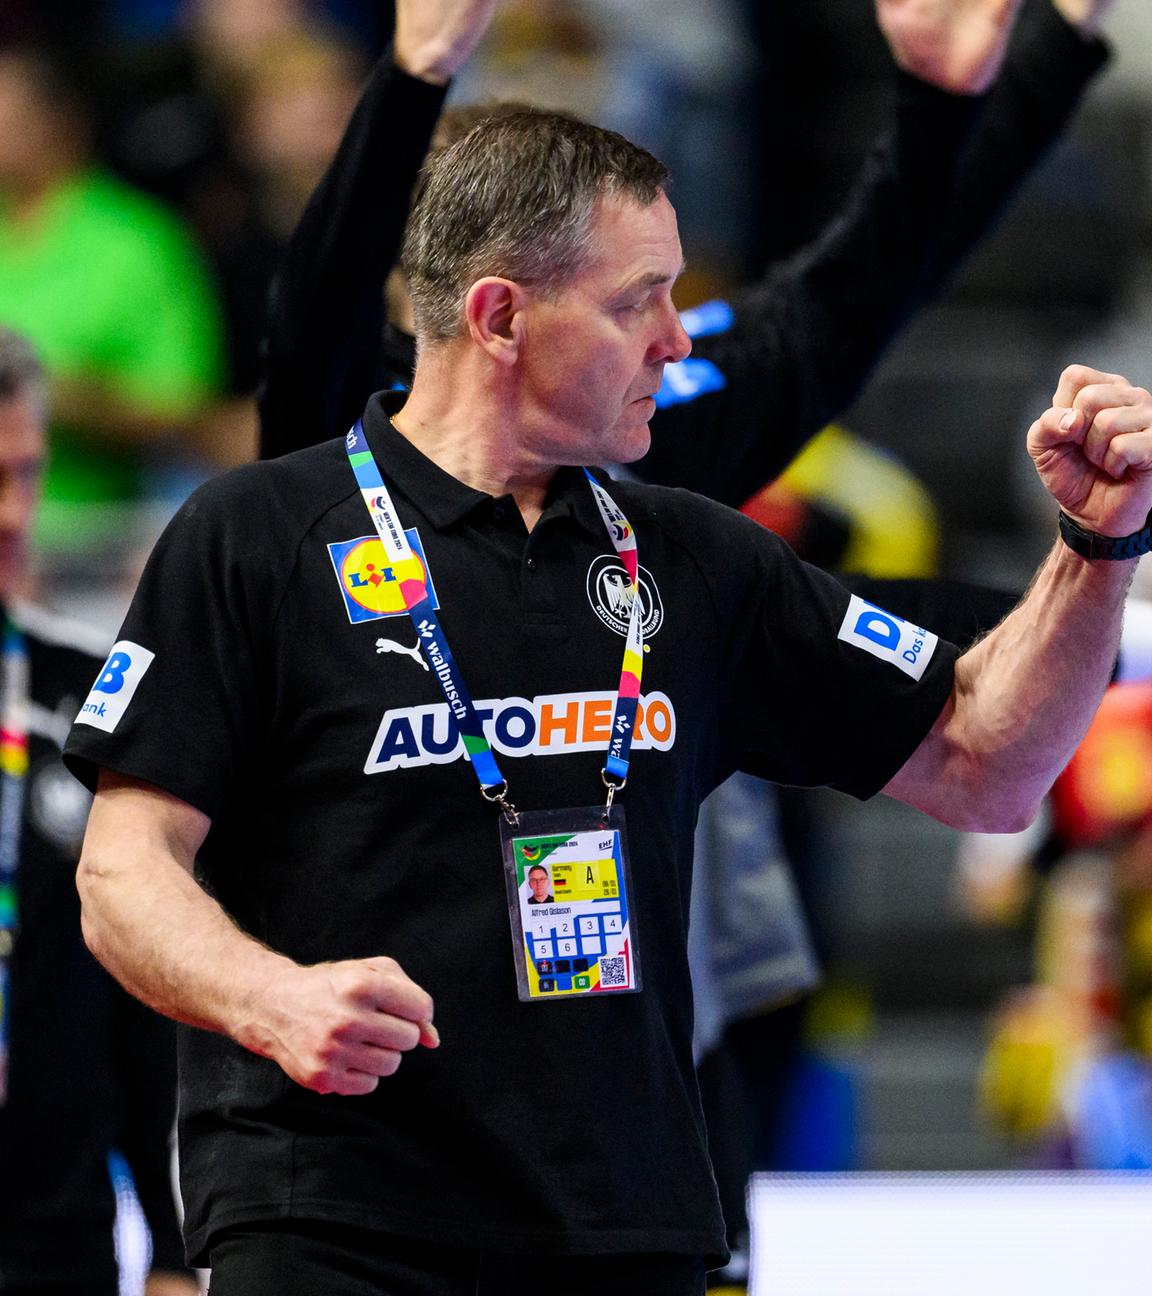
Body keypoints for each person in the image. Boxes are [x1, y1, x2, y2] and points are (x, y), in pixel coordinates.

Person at [66, 101, 1152, 1292]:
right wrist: (267, 998)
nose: (679, 341)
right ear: (498, 317)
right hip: (332, 1223)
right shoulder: (256, 536)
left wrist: (1094, 552)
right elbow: (121, 875)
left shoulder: (693, 558)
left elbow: (985, 764)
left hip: (628, 1230)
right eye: (640, 300)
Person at [0, 328, 197, 1296]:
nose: (12, 513)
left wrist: (169, 1247)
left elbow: (148, 992)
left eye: (27, 474)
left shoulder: (92, 703)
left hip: (59, 1241)